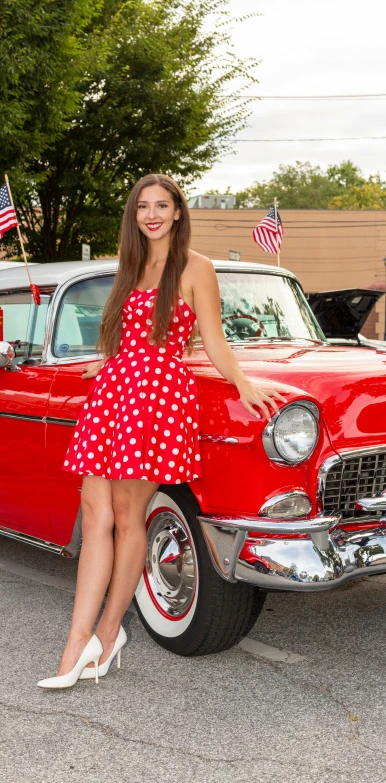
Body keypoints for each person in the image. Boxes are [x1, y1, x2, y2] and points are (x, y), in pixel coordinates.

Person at [37, 173, 286, 689]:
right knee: (94, 510)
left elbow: (213, 339)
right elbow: (128, 335)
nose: (151, 214)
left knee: (130, 517)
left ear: (177, 212)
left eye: (162, 205)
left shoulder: (196, 267)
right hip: (116, 390)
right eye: (142, 206)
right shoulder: (130, 266)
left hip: (158, 398)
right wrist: (106, 363)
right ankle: (77, 641)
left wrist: (242, 382)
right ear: (135, 215)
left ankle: (105, 635)